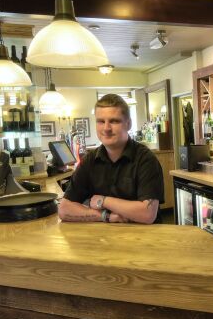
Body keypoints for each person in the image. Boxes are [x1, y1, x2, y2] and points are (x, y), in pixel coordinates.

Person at [58, 94, 164, 224]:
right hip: (103, 239)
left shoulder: (146, 159)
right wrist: (105, 216)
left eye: (114, 121)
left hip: (144, 239)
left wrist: (103, 200)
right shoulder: (89, 160)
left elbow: (147, 214)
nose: (106, 128)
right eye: (101, 121)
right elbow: (64, 209)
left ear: (128, 124)